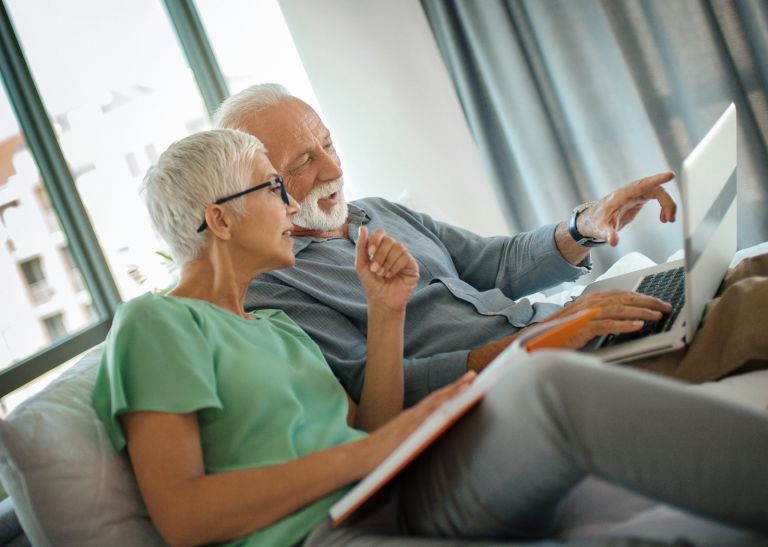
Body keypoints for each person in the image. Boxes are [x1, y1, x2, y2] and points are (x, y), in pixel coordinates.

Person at [91, 128, 768, 547]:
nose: (289, 205)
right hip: (333, 525)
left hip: (396, 488)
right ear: (222, 219)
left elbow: (368, 422)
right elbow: (181, 516)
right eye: (274, 184)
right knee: (548, 379)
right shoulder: (156, 324)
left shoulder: (269, 326)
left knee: (558, 375)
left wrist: (387, 313)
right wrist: (371, 453)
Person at [213, 84, 678, 406]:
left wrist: (586, 226)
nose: (333, 171)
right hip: (516, 382)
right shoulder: (268, 285)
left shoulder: (376, 210)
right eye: (304, 161)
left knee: (728, 282)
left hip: (559, 338)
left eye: (329, 145)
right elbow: (375, 392)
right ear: (259, 182)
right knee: (742, 306)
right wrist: (540, 340)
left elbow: (494, 263)